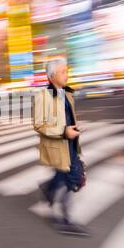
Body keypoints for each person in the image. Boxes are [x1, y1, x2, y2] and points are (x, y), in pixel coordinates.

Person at [33, 57, 90, 237]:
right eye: (63, 72)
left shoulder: (67, 93)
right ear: (52, 75)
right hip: (58, 146)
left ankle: (48, 189)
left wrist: (73, 130)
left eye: (67, 71)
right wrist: (64, 132)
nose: (67, 74)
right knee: (73, 180)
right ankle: (65, 220)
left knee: (64, 176)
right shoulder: (43, 96)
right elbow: (39, 125)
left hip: (70, 145)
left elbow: (68, 118)